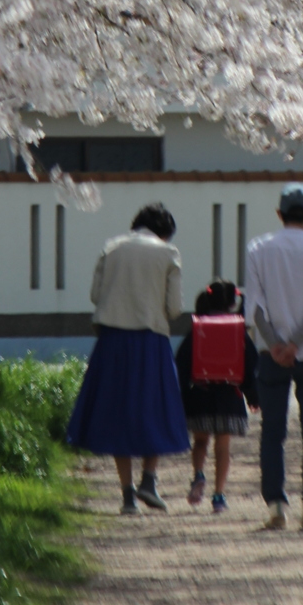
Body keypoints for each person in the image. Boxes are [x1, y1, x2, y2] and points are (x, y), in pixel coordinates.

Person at [66, 203, 188, 515]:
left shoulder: (111, 248)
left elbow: (96, 294)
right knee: (154, 408)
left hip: (113, 340)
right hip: (151, 339)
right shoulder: (168, 252)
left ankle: (127, 496)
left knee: (118, 412)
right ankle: (149, 478)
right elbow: (174, 308)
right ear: (165, 231)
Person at [242, 183, 303, 531]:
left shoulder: (258, 248)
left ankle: (275, 507)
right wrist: (296, 345)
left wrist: (277, 345)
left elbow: (254, 307)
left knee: (273, 431)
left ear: (280, 214)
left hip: (271, 353)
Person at [174, 281, 260, 514]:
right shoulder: (237, 329)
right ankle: (219, 495)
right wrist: (253, 396)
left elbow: (181, 363)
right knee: (223, 446)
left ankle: (199, 474)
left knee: (200, 441)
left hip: (200, 396)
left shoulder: (197, 328)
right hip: (229, 397)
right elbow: (250, 363)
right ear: (233, 303)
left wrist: (180, 398)